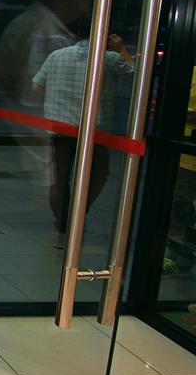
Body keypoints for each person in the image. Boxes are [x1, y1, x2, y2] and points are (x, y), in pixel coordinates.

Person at [32, 29, 135, 232]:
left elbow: (36, 86)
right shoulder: (110, 58)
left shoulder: (57, 55)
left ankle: (62, 217)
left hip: (60, 127)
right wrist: (121, 49)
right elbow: (136, 78)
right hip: (95, 130)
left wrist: (58, 98)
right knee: (98, 172)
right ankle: (78, 211)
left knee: (60, 175)